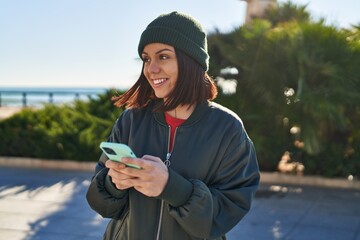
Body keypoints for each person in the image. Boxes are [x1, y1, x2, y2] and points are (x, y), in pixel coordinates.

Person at [86, 11, 260, 240]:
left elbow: (227, 212)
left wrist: (172, 188)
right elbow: (100, 203)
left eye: (163, 57)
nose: (151, 69)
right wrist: (113, 183)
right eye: (147, 59)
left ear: (192, 61)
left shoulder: (227, 129)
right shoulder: (131, 120)